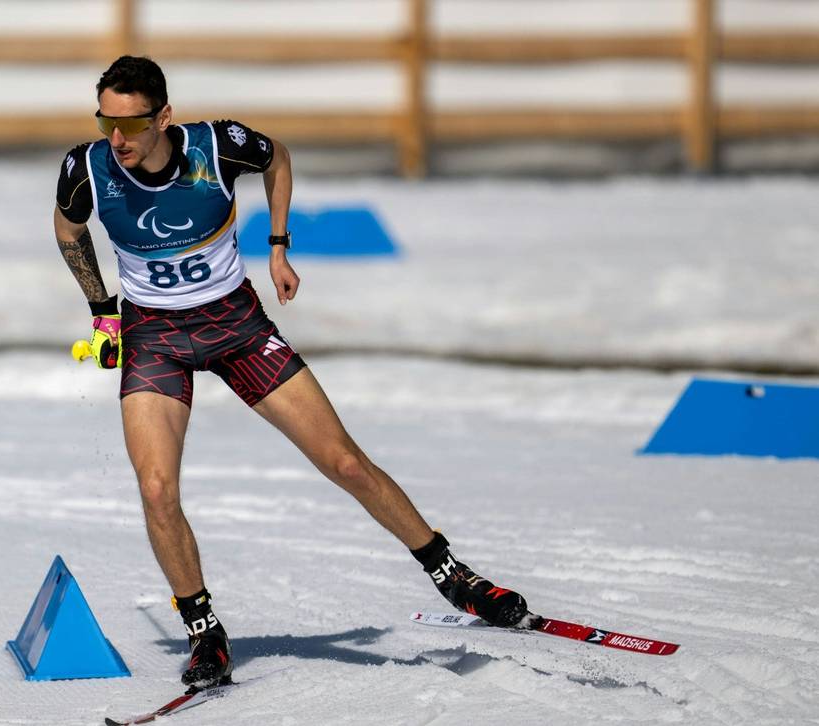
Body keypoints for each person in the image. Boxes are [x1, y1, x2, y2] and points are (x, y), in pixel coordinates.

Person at [54, 55, 529, 690]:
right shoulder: (85, 166)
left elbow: (278, 158)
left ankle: (453, 576)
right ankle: (205, 631)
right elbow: (68, 230)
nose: (118, 140)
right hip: (155, 340)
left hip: (237, 327)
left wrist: (278, 245)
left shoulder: (218, 145)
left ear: (163, 116)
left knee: (345, 463)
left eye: (132, 125)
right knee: (157, 489)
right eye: (106, 122)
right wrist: (101, 310)